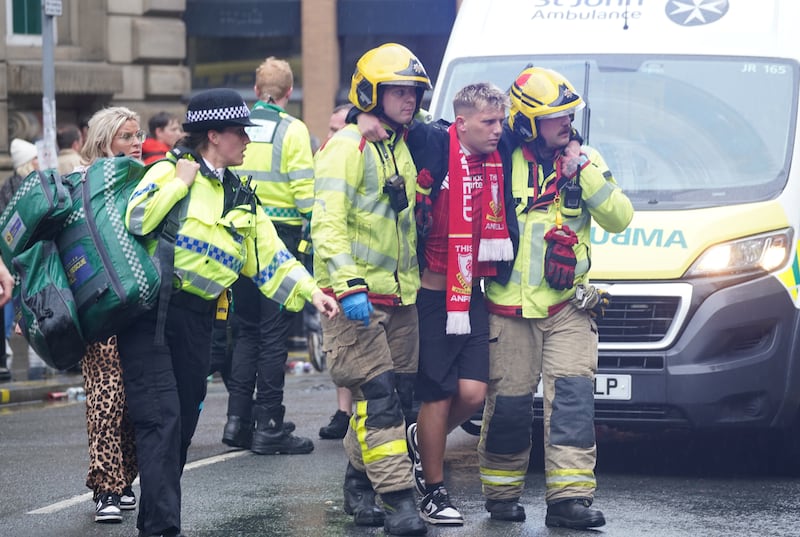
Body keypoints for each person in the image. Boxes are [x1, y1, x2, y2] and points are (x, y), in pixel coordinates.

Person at [118, 88, 338, 537]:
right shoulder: (166, 171)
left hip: (200, 320)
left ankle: (153, 522)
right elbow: (136, 219)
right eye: (240, 133)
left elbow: (271, 258)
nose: (247, 142)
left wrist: (314, 293)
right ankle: (163, 529)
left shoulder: (240, 194)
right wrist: (179, 182)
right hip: (152, 317)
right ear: (213, 135)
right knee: (162, 421)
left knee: (180, 429)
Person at [479, 67, 633, 529]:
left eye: (569, 113)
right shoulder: (498, 157)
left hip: (567, 307)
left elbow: (620, 217)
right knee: (507, 405)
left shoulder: (586, 158)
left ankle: (570, 499)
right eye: (554, 115)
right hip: (507, 309)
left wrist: (582, 172)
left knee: (571, 401)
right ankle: (501, 495)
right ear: (526, 121)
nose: (566, 121)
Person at [311, 43, 430, 536]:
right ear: (370, 93)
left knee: (394, 402)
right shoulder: (347, 147)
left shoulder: (393, 143)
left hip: (400, 299)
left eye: (413, 92)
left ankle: (359, 483)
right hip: (356, 301)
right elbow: (327, 224)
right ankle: (399, 502)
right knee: (378, 399)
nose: (409, 100)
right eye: (398, 91)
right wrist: (348, 285)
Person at [222, 57, 318, 455]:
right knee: (274, 331)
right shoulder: (292, 130)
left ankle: (237, 421)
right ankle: (270, 423)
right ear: (289, 92)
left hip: (239, 233)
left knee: (246, 329)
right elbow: (306, 196)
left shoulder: (237, 128)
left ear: (256, 90)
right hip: (280, 237)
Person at [76, 107, 145, 523]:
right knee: (106, 399)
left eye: (138, 136)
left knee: (137, 399)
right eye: (127, 137)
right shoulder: (81, 184)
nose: (136, 143)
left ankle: (124, 480)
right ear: (105, 142)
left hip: (137, 307)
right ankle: (105, 487)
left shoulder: (140, 181)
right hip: (97, 308)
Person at [317, 102, 356, 441]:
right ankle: (343, 411)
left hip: (359, 277)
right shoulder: (327, 155)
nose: (331, 135)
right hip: (329, 275)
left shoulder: (357, 154)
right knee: (338, 351)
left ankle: (353, 413)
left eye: (338, 127)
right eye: (330, 128)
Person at [0, 138, 39, 382]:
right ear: (26, 162)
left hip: (12, 254)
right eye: (34, 158)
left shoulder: (7, 186)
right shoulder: (29, 186)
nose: (38, 161)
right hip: (26, 252)